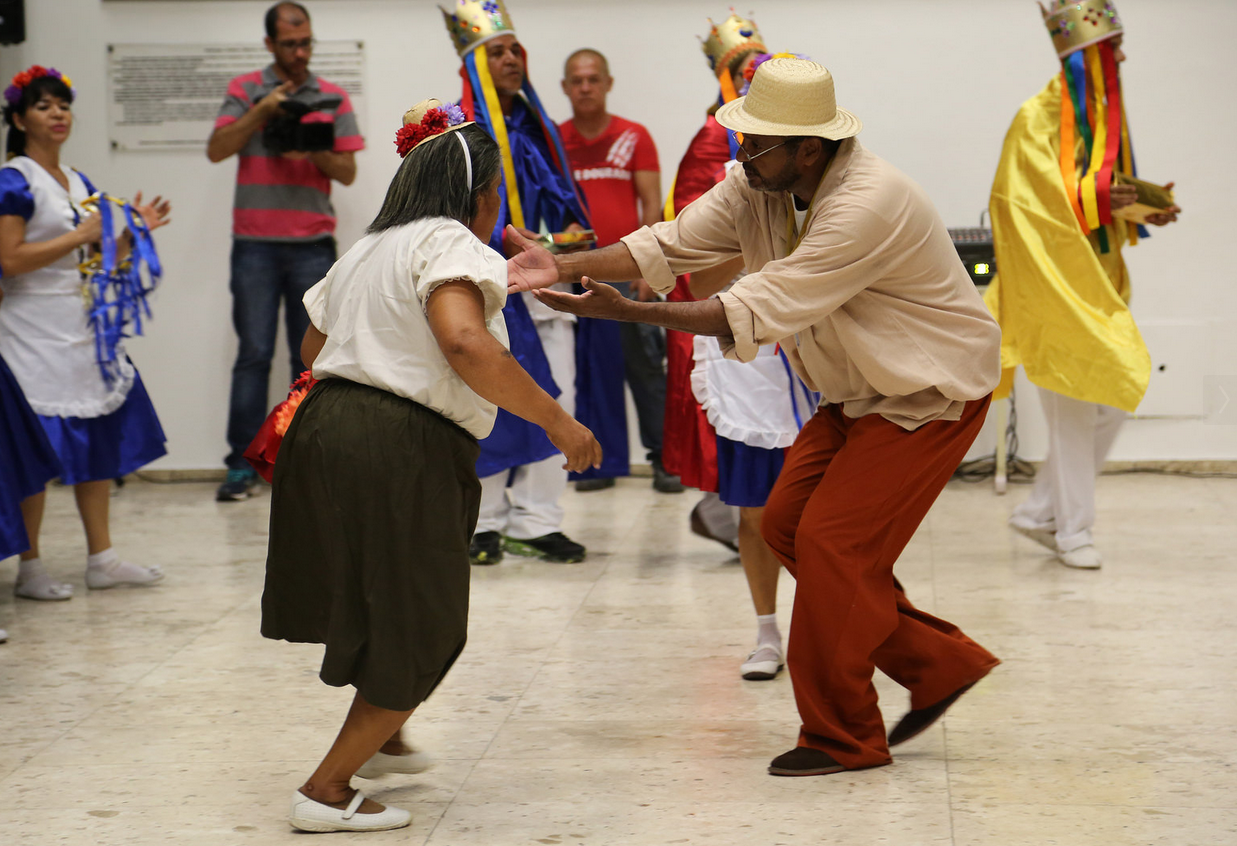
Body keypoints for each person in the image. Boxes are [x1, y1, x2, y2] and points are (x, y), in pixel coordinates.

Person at [508, 58, 1003, 777]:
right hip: (853, 391)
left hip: (926, 394)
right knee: (783, 527)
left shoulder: (866, 202)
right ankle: (938, 664)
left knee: (832, 545)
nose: (739, 154)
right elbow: (668, 243)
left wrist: (632, 313)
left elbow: (749, 308)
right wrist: (561, 265)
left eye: (755, 143)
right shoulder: (758, 182)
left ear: (809, 147)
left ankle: (844, 737)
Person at [261, 99, 600, 832]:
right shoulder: (453, 244)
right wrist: (557, 419)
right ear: (480, 195)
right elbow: (465, 343)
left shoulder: (367, 247)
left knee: (378, 596)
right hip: (397, 444)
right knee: (425, 618)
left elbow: (312, 353)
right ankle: (325, 789)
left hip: (324, 433)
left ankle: (389, 734)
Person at [986, 0, 1180, 570]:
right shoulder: (1035, 119)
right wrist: (1098, 199)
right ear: (1084, 57)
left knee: (1110, 402)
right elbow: (1022, 206)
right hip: (1053, 290)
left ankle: (1040, 510)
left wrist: (1144, 210)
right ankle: (1073, 531)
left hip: (1096, 284)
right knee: (1073, 406)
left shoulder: (1100, 119)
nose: (1121, 53)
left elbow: (1099, 198)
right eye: (1110, 45)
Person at [443, 0, 617, 564]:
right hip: (493, 284)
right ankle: (484, 522)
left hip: (551, 283)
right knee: (488, 396)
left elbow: (565, 199)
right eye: (498, 52)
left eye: (515, 49)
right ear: (474, 64)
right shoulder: (461, 133)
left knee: (557, 393)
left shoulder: (540, 128)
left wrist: (569, 234)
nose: (512, 59)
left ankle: (539, 521)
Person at [662, 14, 800, 681]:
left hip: (817, 348)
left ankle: (834, 624)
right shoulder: (709, 151)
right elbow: (697, 267)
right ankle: (767, 631)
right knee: (754, 507)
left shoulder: (819, 151)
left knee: (826, 510)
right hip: (750, 350)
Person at [0, 65, 170, 600]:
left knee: (95, 438)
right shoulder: (14, 179)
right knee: (36, 448)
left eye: (63, 105)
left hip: (80, 321)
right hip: (29, 326)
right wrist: (82, 232)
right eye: (44, 105)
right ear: (19, 116)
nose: (57, 114)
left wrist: (130, 235)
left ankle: (102, 557)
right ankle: (31, 567)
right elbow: (9, 259)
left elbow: (93, 255)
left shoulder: (79, 182)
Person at [208, 1, 364, 502]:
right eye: (290, 43)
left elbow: (346, 172)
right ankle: (241, 464)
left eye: (307, 42)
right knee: (253, 354)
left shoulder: (332, 96)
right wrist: (264, 111)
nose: (300, 51)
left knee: (316, 359)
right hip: (253, 241)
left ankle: (311, 458)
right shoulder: (244, 90)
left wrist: (310, 148)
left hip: (312, 246)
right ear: (270, 44)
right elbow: (216, 148)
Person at [558, 48, 682, 494]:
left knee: (647, 369)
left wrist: (649, 268)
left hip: (631, 273)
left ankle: (665, 461)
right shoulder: (555, 140)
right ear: (565, 88)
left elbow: (652, 205)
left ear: (608, 83)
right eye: (577, 80)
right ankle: (599, 463)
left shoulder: (634, 136)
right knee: (591, 369)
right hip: (574, 273)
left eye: (593, 79)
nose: (585, 87)